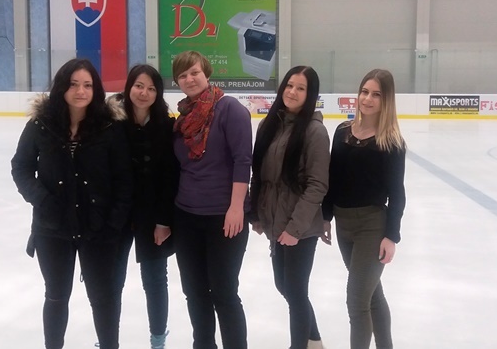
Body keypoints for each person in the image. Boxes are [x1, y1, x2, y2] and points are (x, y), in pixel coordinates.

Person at [10, 58, 133, 349]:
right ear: (62, 87)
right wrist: (43, 201)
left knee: (103, 298)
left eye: (87, 85)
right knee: (56, 295)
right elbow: (21, 168)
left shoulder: (109, 127)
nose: (81, 91)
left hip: (99, 229)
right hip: (53, 228)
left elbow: (124, 179)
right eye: (74, 84)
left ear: (96, 89)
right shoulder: (41, 125)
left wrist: (113, 222)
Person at [171, 50, 252, 349]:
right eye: (182, 75)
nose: (189, 79)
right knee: (194, 292)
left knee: (224, 292)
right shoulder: (183, 118)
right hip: (186, 216)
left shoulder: (230, 109)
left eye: (194, 72)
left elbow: (243, 160)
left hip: (224, 217)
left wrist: (236, 208)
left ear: (206, 72)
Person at [322, 69, 407, 349]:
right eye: (364, 92)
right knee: (372, 295)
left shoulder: (391, 142)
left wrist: (391, 236)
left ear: (387, 100)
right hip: (344, 224)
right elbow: (333, 177)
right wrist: (325, 216)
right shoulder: (342, 131)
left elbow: (397, 194)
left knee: (357, 301)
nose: (367, 99)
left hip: (372, 226)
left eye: (376, 95)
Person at [249, 66, 330, 349]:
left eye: (301, 88)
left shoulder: (315, 131)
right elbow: (258, 175)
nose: (293, 92)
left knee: (295, 291)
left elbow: (317, 185)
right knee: (283, 285)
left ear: (311, 94)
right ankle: (314, 340)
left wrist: (295, 229)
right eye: (289, 85)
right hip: (274, 219)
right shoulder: (268, 125)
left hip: (301, 227)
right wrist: (255, 214)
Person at [108, 64, 178, 349]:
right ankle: (108, 339)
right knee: (112, 280)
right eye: (139, 86)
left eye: (151, 88)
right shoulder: (111, 123)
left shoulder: (167, 125)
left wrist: (164, 220)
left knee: (155, 280)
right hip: (117, 215)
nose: (144, 93)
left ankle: (158, 340)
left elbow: (171, 177)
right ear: (129, 87)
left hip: (153, 217)